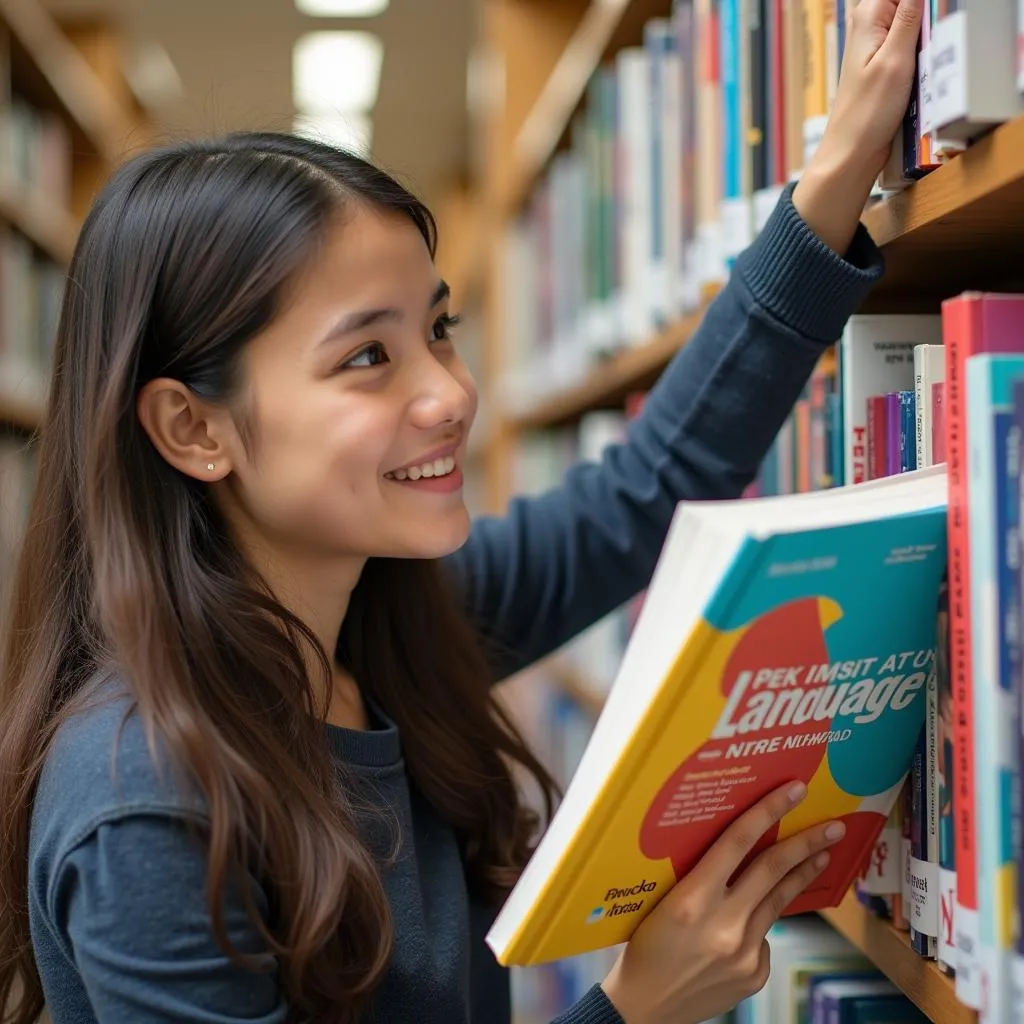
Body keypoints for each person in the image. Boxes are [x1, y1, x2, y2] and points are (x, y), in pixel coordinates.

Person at [0, 1, 923, 1022]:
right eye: (366, 357)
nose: (449, 393)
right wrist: (632, 1008)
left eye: (439, 329)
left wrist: (831, 187)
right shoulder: (147, 805)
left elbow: (647, 489)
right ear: (191, 429)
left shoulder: (388, 623)